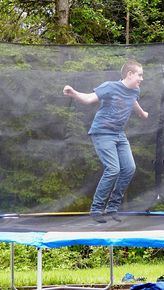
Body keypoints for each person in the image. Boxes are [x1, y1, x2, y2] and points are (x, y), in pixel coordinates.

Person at [63, 60, 149, 223]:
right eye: (139, 75)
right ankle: (96, 209)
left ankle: (112, 208)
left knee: (129, 168)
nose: (141, 78)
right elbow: (89, 99)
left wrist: (142, 113)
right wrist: (74, 93)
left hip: (119, 134)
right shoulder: (110, 86)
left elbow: (133, 101)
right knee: (113, 169)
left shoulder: (135, 90)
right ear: (129, 74)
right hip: (102, 132)